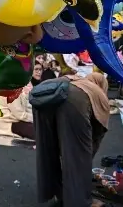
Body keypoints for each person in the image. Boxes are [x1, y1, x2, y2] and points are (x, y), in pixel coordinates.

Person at [34, 73, 111, 207]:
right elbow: (97, 134)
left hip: (41, 95)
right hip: (70, 98)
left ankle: (57, 191)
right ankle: (80, 201)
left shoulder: (77, 80)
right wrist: (84, 158)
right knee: (78, 155)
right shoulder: (97, 94)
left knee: (47, 149)